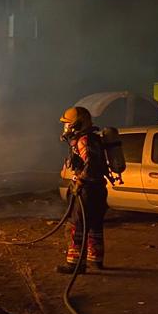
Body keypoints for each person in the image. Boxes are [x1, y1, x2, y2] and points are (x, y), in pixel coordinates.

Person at [59, 105, 108, 273]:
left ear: (76, 124)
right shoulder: (92, 139)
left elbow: (91, 165)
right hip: (98, 189)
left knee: (75, 225)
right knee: (94, 225)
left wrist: (79, 181)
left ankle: (75, 264)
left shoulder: (84, 141)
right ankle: (95, 259)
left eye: (67, 123)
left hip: (87, 190)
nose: (65, 127)